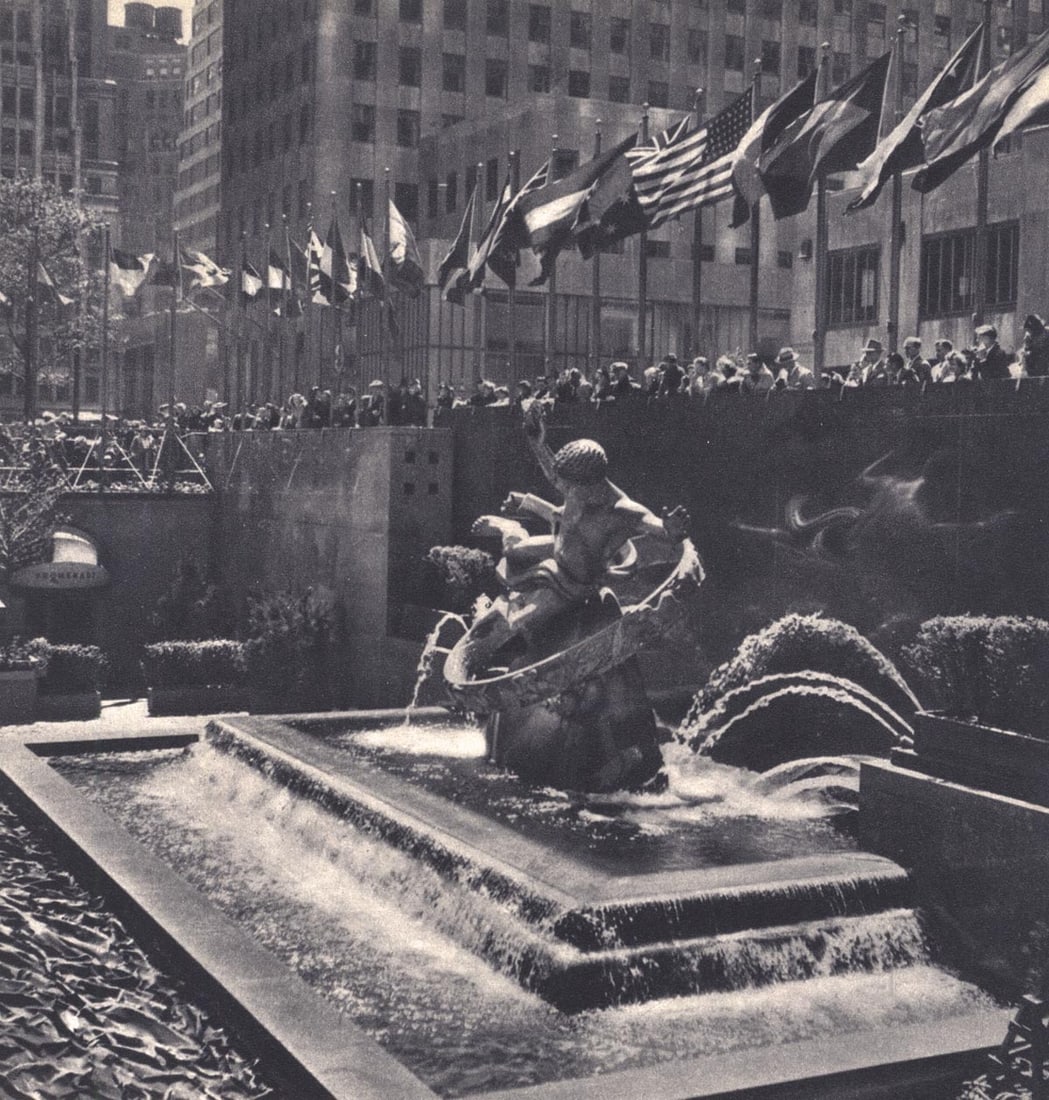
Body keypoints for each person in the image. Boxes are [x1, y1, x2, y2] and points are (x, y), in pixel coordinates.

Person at [468, 402, 689, 660]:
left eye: (569, 486)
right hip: (557, 545)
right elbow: (555, 474)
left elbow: (654, 526)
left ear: (592, 484)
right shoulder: (578, 487)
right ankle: (508, 526)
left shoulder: (620, 509)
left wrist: (670, 530)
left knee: (520, 623)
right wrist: (538, 444)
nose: (562, 488)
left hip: (574, 582)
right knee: (511, 551)